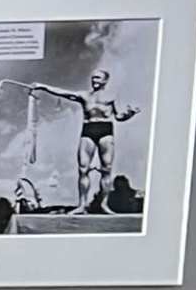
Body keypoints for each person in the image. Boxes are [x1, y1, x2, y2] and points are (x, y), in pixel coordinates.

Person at [27, 65, 139, 214]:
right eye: (93, 77)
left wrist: (129, 114)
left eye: (98, 77)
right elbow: (63, 93)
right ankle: (82, 205)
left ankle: (104, 204)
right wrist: (42, 86)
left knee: (106, 169)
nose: (94, 80)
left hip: (105, 130)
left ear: (105, 81)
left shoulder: (112, 96)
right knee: (83, 169)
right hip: (88, 130)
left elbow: (119, 117)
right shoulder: (84, 95)